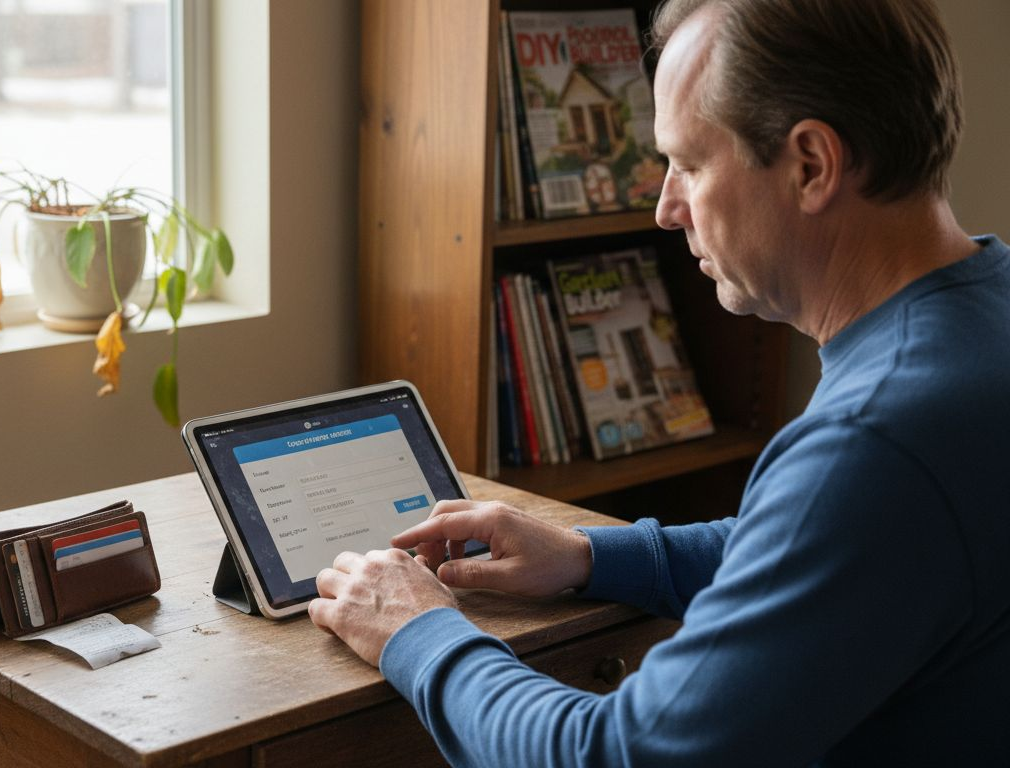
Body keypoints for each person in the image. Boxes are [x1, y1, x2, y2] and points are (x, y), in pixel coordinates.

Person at [307, 0, 1010, 764]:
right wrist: (590, 555)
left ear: (811, 165)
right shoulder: (979, 323)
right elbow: (831, 547)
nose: (666, 208)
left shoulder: (876, 439)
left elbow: (622, 755)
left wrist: (420, 632)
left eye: (691, 163)